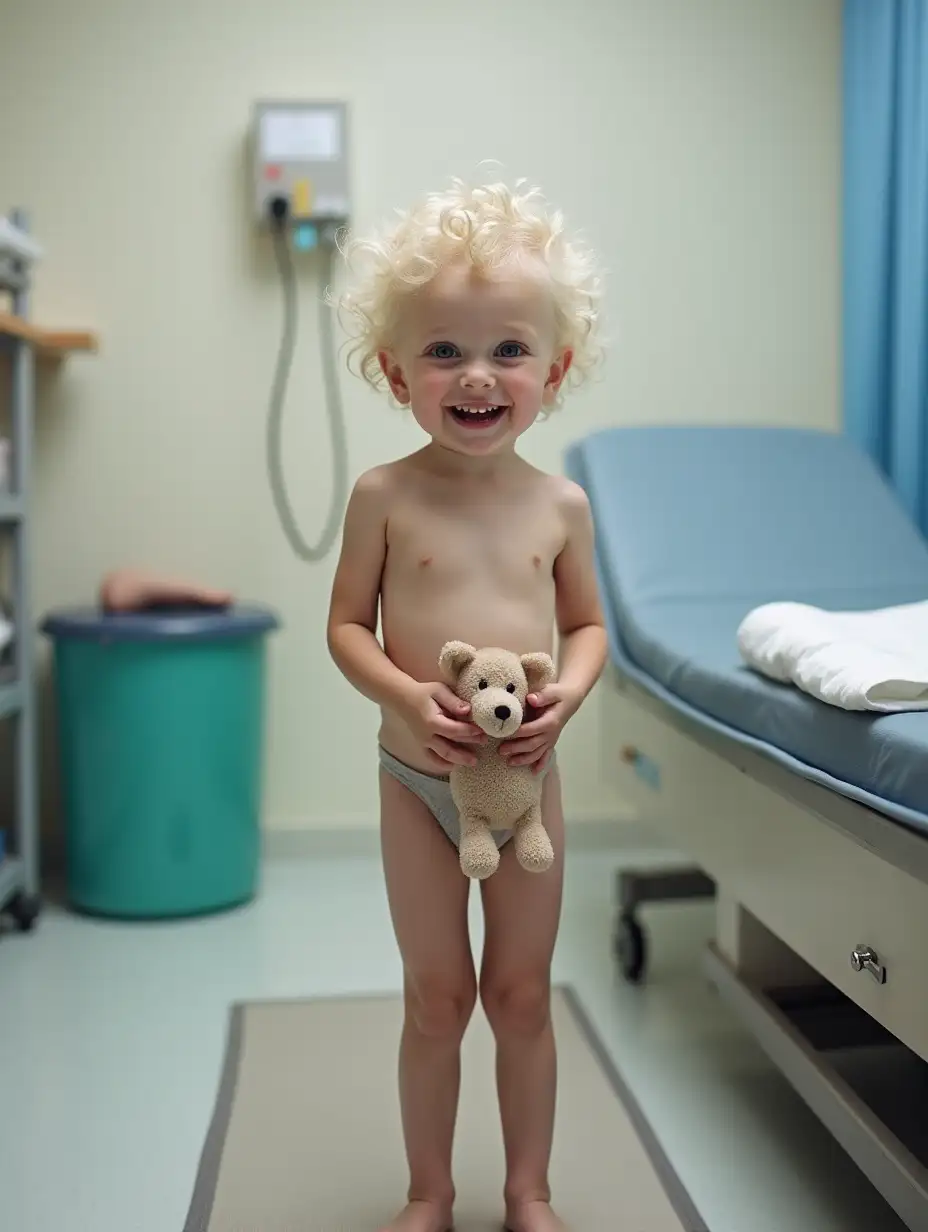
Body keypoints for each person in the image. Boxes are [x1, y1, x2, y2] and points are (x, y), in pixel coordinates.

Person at [326, 178, 608, 1232]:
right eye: (443, 350)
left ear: (554, 369)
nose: (477, 374)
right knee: (436, 995)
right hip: (417, 781)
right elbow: (346, 624)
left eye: (508, 349)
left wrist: (567, 698)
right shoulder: (383, 496)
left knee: (521, 994)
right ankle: (427, 1190)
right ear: (396, 370)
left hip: (527, 783)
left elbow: (585, 627)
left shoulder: (561, 504)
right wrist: (405, 693)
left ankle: (527, 1188)